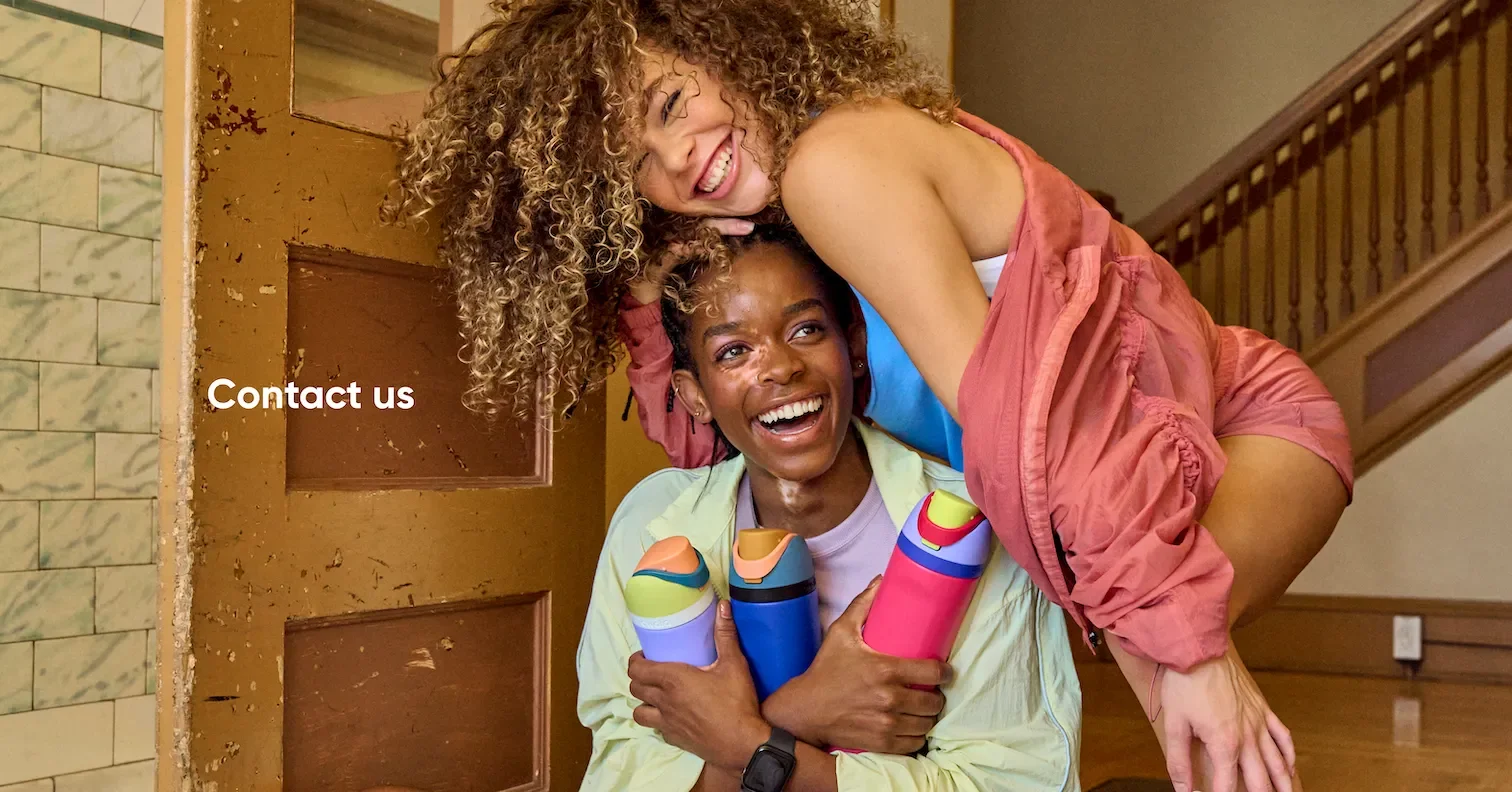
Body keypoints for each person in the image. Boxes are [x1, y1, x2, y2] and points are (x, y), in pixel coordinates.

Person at [382, 2, 1353, 789]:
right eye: (635, 164)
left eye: (672, 100)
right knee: (1083, 619)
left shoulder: (837, 163)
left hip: (1236, 424)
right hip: (1112, 466)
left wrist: (1191, 651)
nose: (677, 157)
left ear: (723, 36)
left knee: (1150, 663)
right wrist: (643, 266)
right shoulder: (773, 212)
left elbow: (1019, 429)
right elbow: (709, 446)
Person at [577, 228, 1081, 791]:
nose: (780, 368)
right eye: (733, 351)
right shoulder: (650, 526)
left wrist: (745, 740)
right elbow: (621, 771)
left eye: (806, 329)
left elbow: (1011, 780)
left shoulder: (974, 520)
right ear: (695, 396)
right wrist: (799, 714)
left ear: (855, 348)